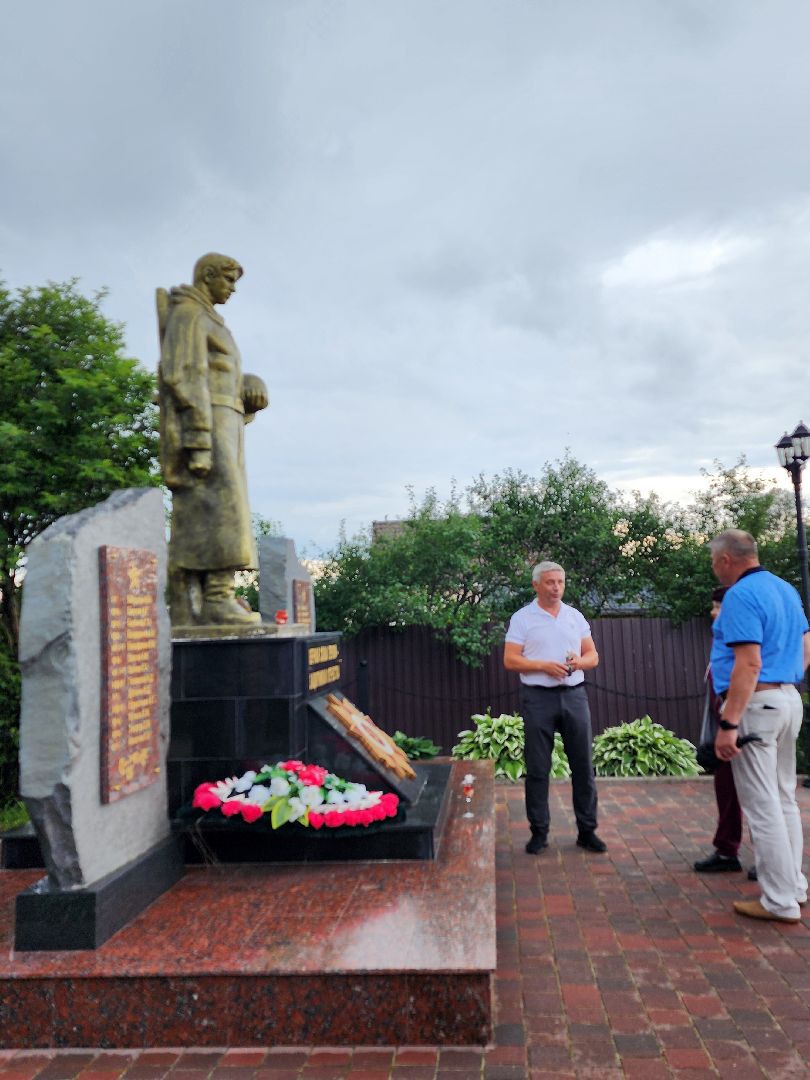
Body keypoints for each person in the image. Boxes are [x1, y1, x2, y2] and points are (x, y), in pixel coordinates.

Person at [157, 253, 268, 626]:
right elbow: (182, 376)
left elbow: (220, 375)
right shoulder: (189, 314)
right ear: (207, 276)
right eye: (229, 280)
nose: (233, 289)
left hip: (227, 422)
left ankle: (217, 593)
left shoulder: (210, 319)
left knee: (229, 507)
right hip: (206, 422)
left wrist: (248, 387)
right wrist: (198, 438)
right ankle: (214, 598)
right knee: (221, 508)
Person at [710, 529, 810, 923]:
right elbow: (806, 646)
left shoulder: (739, 595)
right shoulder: (784, 589)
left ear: (726, 560)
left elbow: (748, 663)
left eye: (715, 563)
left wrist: (729, 722)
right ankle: (795, 888)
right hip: (788, 698)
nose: (716, 570)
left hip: (758, 705)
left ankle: (778, 901)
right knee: (784, 797)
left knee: (763, 804)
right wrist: (783, 679)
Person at [503, 561, 605, 854]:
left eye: (560, 582)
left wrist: (578, 663)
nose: (557, 587)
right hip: (538, 698)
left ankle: (587, 831)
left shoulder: (574, 616)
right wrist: (543, 666)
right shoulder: (522, 618)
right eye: (550, 582)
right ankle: (539, 833)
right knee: (538, 768)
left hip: (575, 696)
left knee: (583, 766)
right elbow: (510, 660)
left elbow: (593, 656)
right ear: (536, 585)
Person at [694, 586, 746, 873]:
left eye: (718, 607)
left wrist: (730, 724)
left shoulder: (741, 639)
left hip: (739, 724)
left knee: (756, 794)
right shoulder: (721, 638)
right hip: (723, 726)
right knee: (726, 789)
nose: (713, 612)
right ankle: (727, 850)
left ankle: (769, 862)